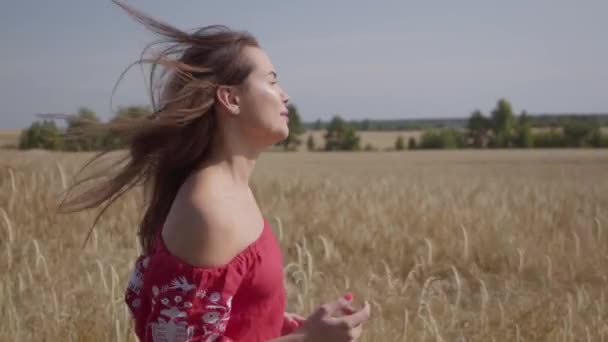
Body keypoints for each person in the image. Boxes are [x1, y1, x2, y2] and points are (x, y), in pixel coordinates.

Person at [59, 1, 371, 341]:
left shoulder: (231, 192)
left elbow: (217, 318)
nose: (286, 95)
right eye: (271, 82)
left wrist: (271, 320)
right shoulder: (208, 210)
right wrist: (310, 339)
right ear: (231, 99)